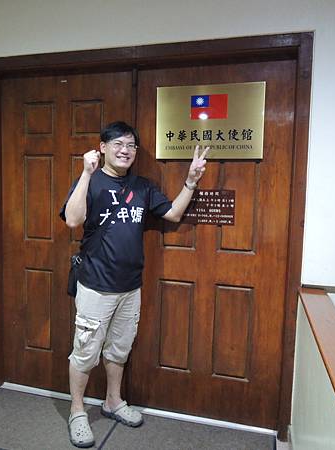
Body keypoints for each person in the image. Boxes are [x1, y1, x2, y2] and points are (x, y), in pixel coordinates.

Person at [60, 121, 208, 448]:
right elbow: (72, 219)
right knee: (85, 352)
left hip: (130, 287)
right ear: (102, 147)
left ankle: (113, 401)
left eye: (130, 145)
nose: (124, 150)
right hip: (95, 285)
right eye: (117, 144)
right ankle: (77, 412)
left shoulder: (143, 187)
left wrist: (191, 181)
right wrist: (85, 174)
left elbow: (172, 214)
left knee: (119, 348)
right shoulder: (91, 181)